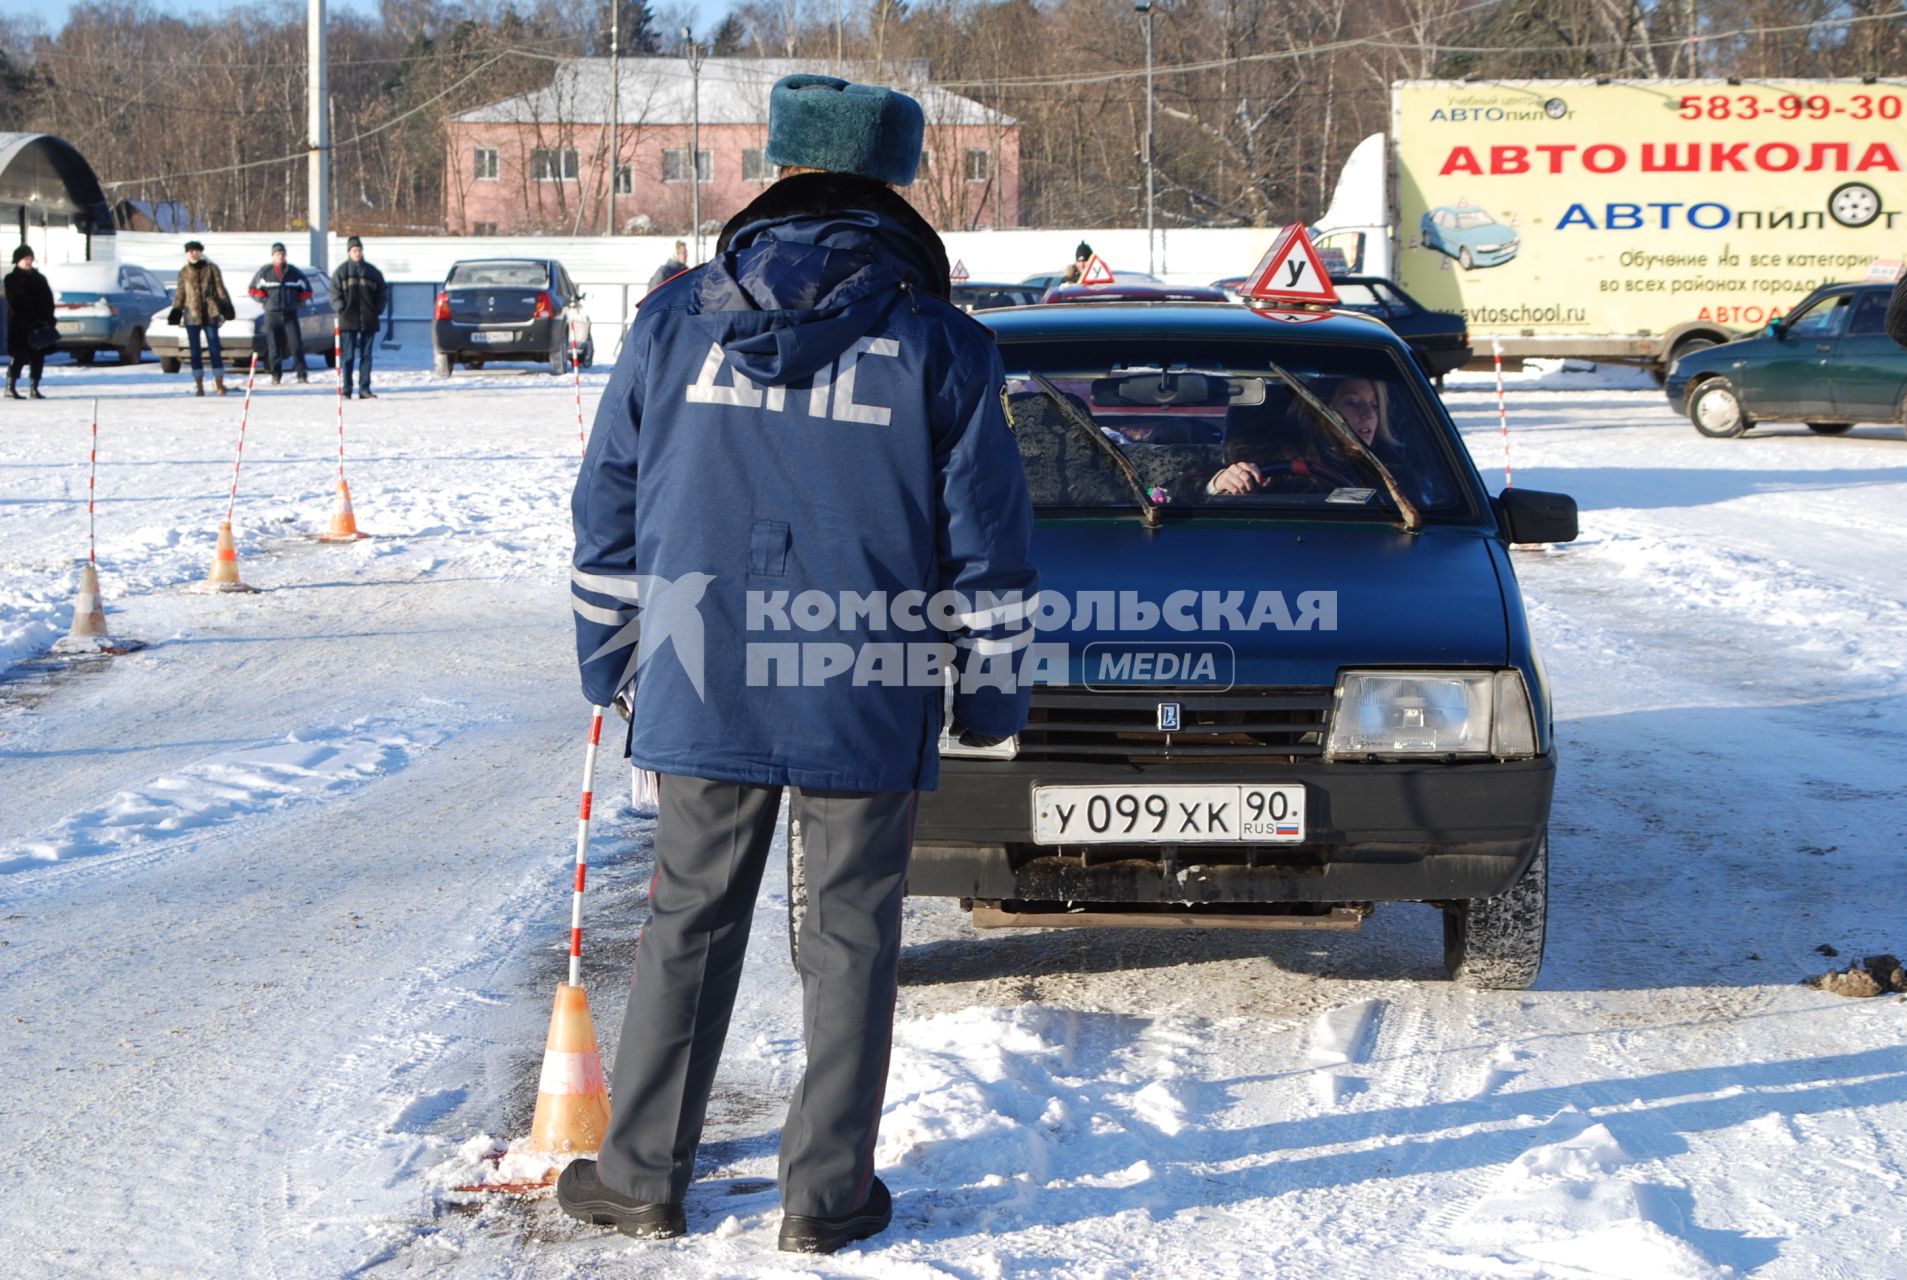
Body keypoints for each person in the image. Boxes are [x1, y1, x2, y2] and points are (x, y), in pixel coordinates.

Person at [564, 72, 1038, 1255]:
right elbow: (987, 547)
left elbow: (607, 515)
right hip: (863, 682)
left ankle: (641, 1174)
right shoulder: (942, 345)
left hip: (701, 674)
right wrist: (987, 690)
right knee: (851, 936)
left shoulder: (670, 325)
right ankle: (824, 1195)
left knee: (686, 921)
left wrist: (611, 661)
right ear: (892, 181)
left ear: (775, 168)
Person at [1206, 375, 1395, 497]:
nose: (1369, 414)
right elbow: (1187, 491)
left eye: (1375, 405)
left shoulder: (1396, 477)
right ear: (1319, 412)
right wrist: (1220, 483)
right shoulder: (1273, 466)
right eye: (1352, 402)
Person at [170, 240, 234, 397]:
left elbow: (220, 289)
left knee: (214, 348)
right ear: (187, 254)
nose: (193, 253)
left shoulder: (211, 269)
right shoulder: (184, 272)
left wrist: (226, 306)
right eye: (190, 251)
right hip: (192, 315)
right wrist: (176, 310)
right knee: (195, 351)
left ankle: (219, 383)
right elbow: (180, 293)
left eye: (196, 251)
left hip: (210, 314)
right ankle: (199, 385)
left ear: (201, 252)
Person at [331, 236, 387, 399]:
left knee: (366, 356)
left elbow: (383, 292)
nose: (357, 253)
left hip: (369, 319)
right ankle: (347, 389)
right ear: (349, 252)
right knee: (347, 356)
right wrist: (341, 307)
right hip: (348, 320)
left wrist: (378, 309)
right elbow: (334, 293)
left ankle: (364, 389)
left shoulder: (372, 271)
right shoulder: (341, 272)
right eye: (354, 250)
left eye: (359, 250)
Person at [248, 242, 311, 384]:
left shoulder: (294, 272)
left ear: (285, 255)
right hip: (272, 313)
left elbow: (307, 290)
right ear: (273, 256)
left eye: (282, 254)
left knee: (295, 345)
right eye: (277, 254)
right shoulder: (265, 272)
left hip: (290, 313)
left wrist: (296, 301)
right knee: (274, 346)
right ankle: (276, 375)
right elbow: (252, 290)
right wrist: (265, 300)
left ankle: (301, 374)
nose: (280, 256)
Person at [5, 246, 56, 400]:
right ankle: (10, 386)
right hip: (20, 325)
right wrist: (27, 319)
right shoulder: (11, 279)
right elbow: (14, 301)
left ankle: (34, 387)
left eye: (30, 259)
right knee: (19, 356)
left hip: (40, 324)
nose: (28, 262)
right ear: (17, 261)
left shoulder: (39, 278)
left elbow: (48, 300)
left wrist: (49, 318)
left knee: (38, 356)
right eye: (25, 259)